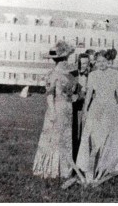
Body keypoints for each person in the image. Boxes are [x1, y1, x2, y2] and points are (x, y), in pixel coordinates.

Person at [75, 50, 118, 186]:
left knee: (110, 136)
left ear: (109, 61)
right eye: (98, 61)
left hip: (111, 107)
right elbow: (88, 95)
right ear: (95, 62)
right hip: (96, 107)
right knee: (94, 136)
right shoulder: (92, 75)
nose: (101, 64)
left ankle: (110, 165)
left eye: (104, 61)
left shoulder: (116, 74)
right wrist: (86, 111)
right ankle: (92, 164)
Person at [33, 41, 77, 179]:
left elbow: (71, 92)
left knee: (65, 137)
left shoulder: (69, 75)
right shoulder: (52, 74)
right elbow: (49, 94)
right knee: (54, 138)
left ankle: (65, 169)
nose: (63, 61)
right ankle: (51, 169)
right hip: (57, 108)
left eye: (64, 59)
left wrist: (73, 96)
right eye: (60, 59)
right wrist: (52, 111)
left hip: (68, 109)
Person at [71, 53, 90, 163]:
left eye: (86, 63)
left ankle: (82, 160)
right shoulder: (72, 74)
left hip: (86, 107)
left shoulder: (92, 75)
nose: (84, 65)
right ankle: (74, 158)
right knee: (74, 133)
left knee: (84, 133)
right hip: (74, 107)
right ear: (78, 63)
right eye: (82, 63)